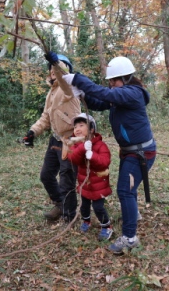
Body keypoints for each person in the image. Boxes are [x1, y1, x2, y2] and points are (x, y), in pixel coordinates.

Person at [59, 56, 157, 254]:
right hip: (131, 151)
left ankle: (130, 238)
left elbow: (104, 93)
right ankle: (133, 213)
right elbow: (99, 101)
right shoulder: (120, 95)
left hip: (140, 153)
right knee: (129, 187)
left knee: (124, 190)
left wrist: (77, 78)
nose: (111, 85)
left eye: (114, 81)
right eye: (110, 82)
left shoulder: (132, 93)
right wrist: (83, 95)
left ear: (126, 78)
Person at [23, 53, 81, 222]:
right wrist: (33, 131)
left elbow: (64, 80)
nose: (54, 71)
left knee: (66, 179)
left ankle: (69, 215)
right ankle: (60, 204)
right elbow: (46, 117)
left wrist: (56, 62)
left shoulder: (68, 88)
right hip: (55, 139)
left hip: (70, 140)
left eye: (59, 68)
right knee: (46, 175)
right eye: (52, 69)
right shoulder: (51, 93)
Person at [66, 113, 113, 241]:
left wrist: (92, 155)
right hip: (84, 183)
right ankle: (86, 221)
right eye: (75, 127)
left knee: (98, 207)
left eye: (81, 125)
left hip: (99, 185)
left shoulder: (100, 146)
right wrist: (82, 148)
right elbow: (73, 158)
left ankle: (106, 226)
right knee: (84, 206)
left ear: (91, 129)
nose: (77, 129)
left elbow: (104, 162)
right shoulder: (76, 145)